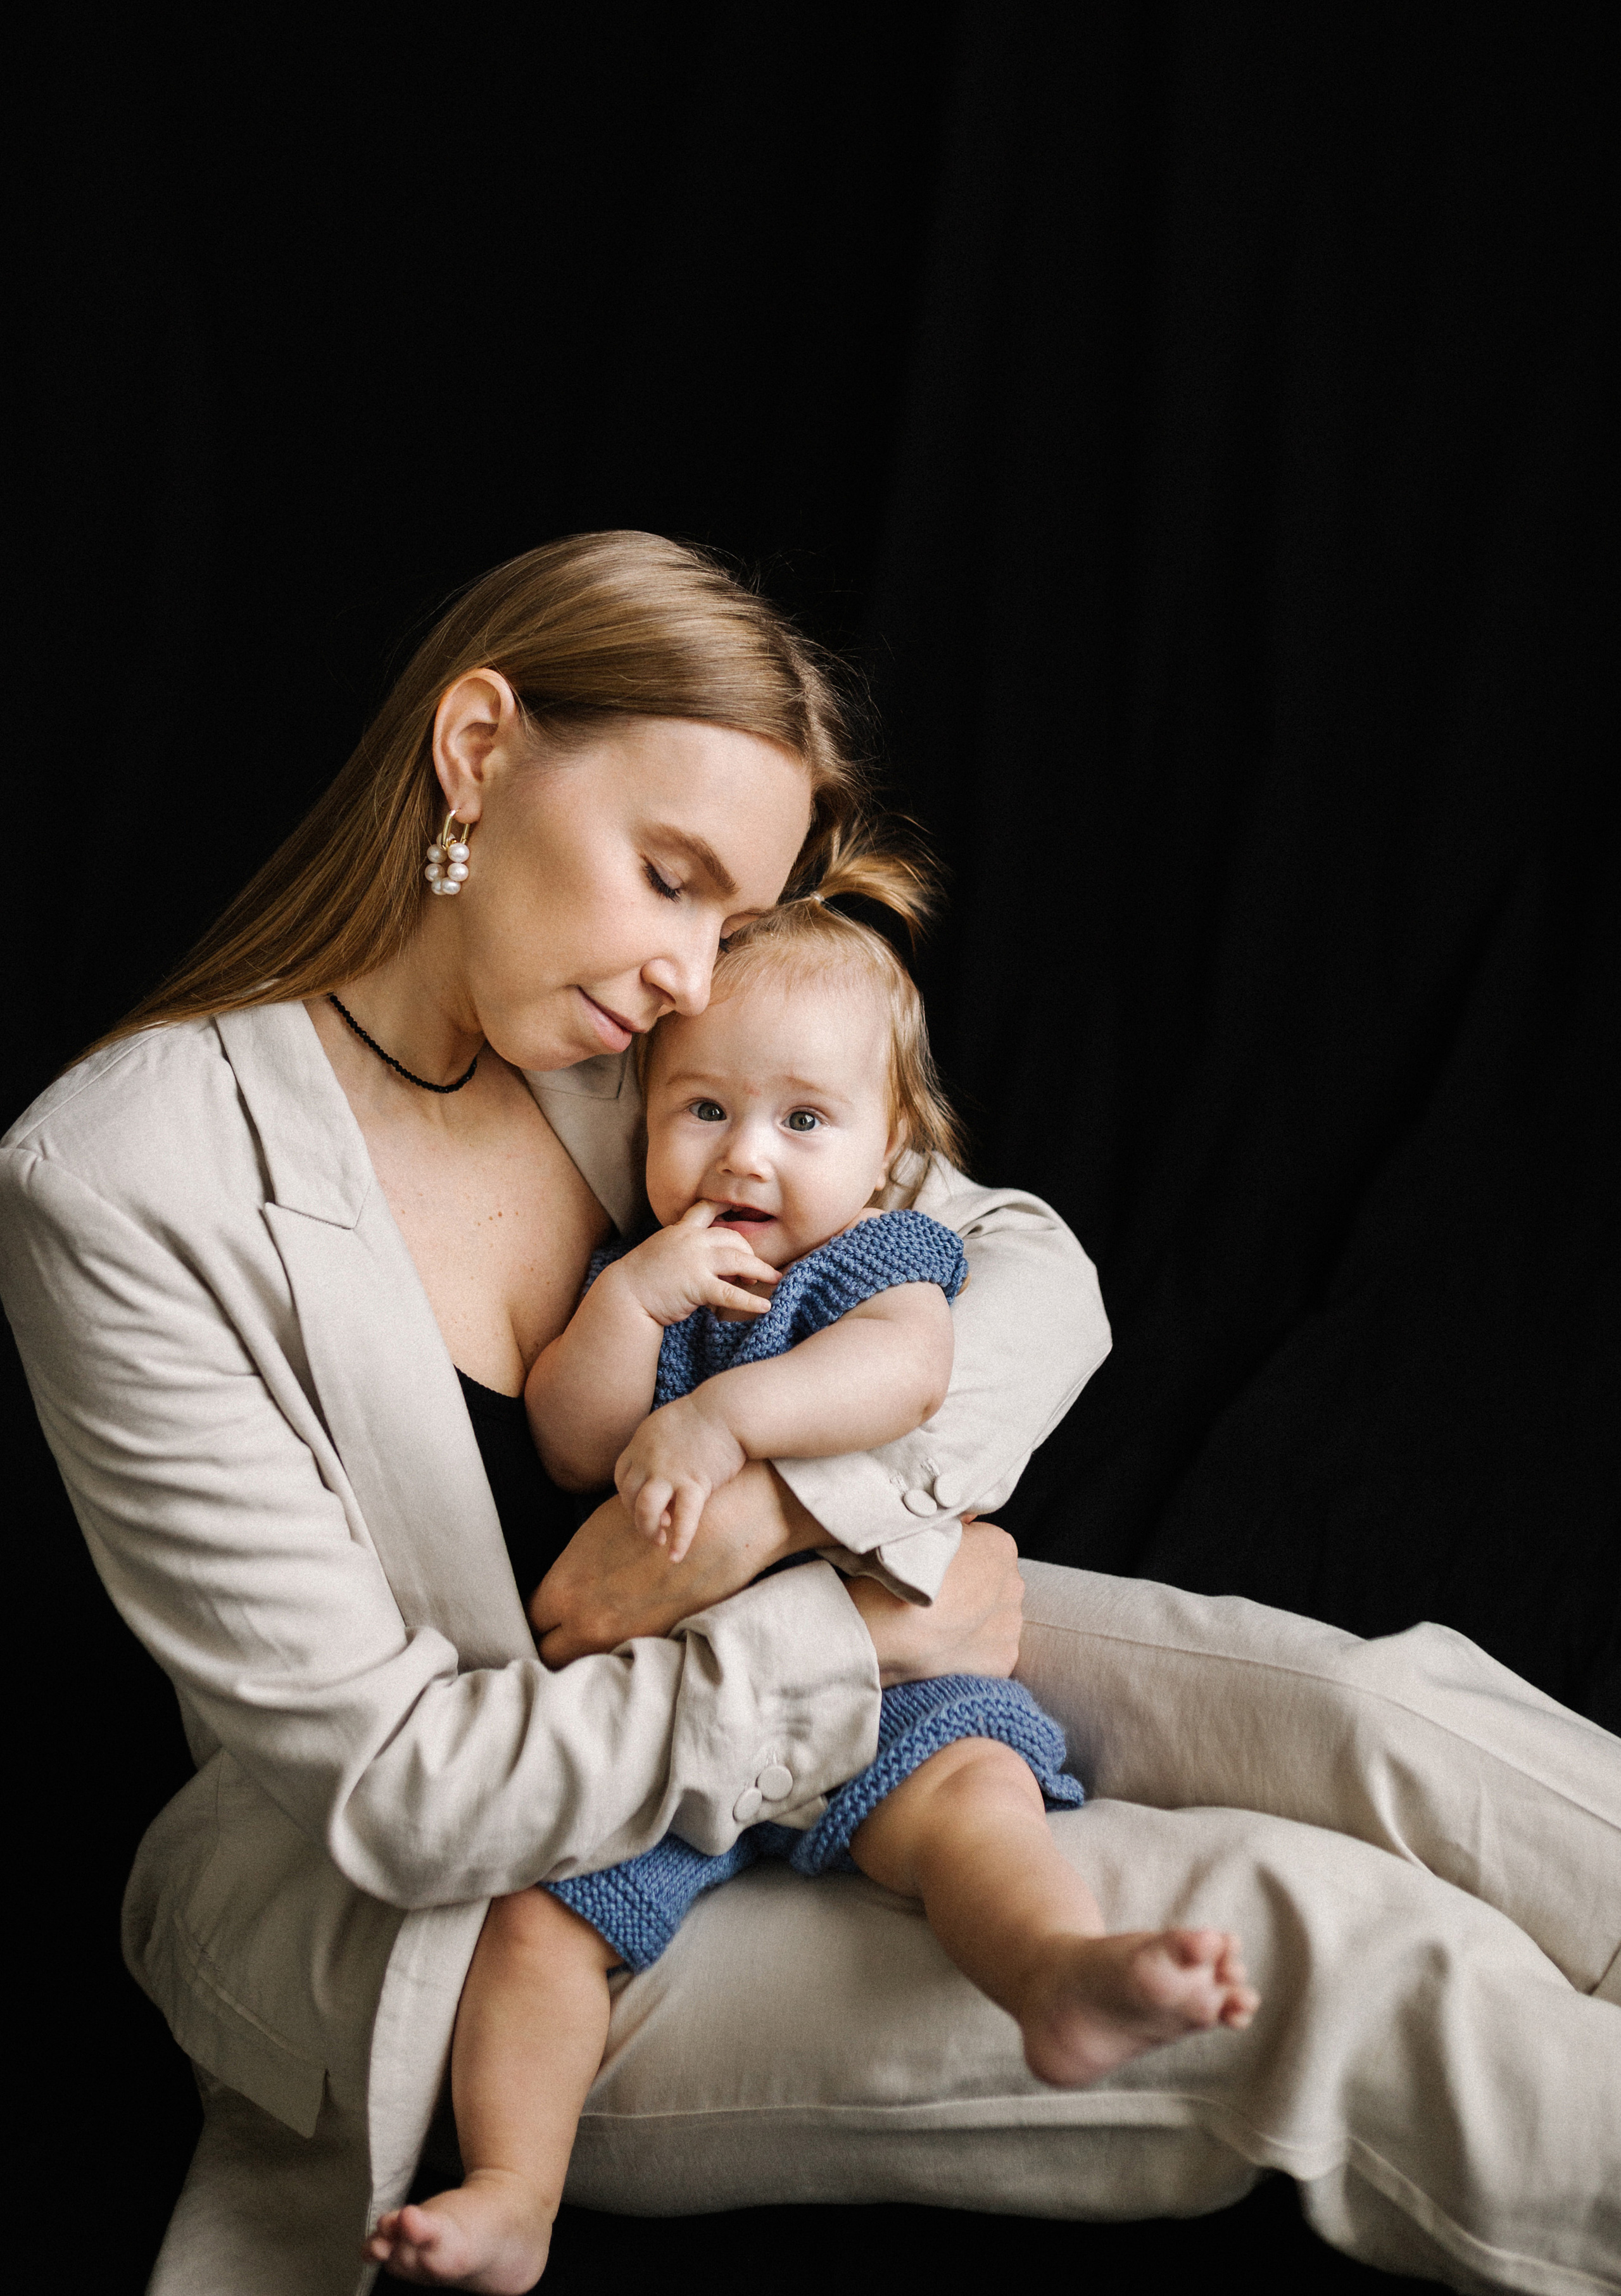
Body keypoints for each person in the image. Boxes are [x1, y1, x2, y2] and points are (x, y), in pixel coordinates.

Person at [1, 535, 1615, 2296]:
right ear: (475, 751)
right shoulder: (128, 1178)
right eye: (668, 875)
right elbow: (406, 1789)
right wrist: (842, 1638)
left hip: (827, 1626)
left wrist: (785, 1520)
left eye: (727, 917)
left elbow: (1024, 1268)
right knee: (1323, 1952)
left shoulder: (621, 1037)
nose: (694, 974)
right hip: (485, 1892)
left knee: (1387, 1723)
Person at [366, 856, 1258, 2290]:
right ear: (646, 1114)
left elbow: (906, 1373)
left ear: (888, 1143)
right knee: (535, 1927)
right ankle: (514, 2191)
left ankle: (1057, 1975)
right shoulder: (646, 1269)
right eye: (703, 1109)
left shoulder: (875, 1260)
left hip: (879, 1685)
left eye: (802, 1120)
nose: (746, 1158)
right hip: (678, 1715)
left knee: (975, 1806)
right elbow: (571, 1438)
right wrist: (627, 1304)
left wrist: (725, 1419)